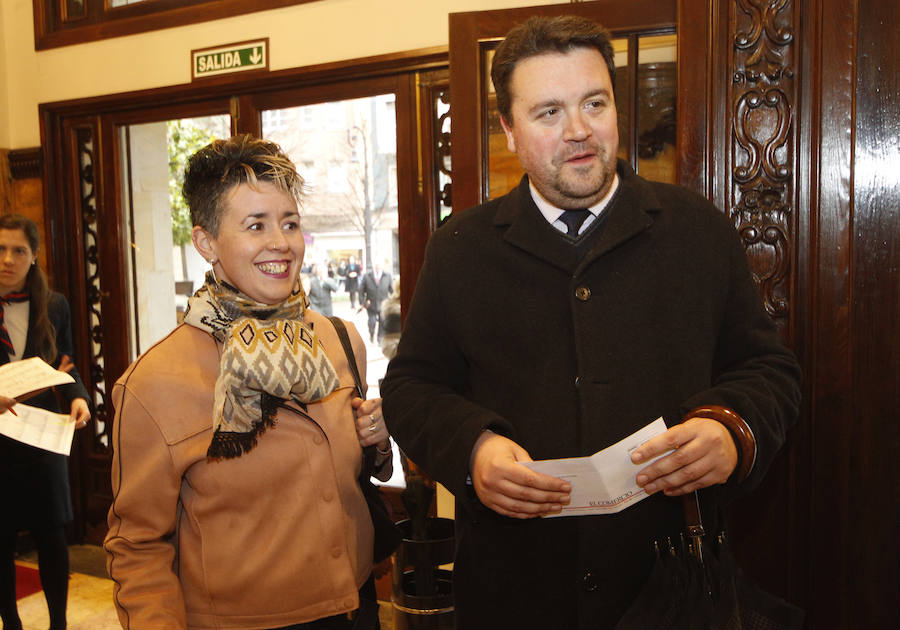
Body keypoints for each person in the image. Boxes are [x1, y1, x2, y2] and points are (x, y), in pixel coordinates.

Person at [381, 15, 802, 630]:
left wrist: (731, 431)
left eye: (594, 103)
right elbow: (412, 388)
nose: (578, 131)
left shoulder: (697, 230)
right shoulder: (460, 248)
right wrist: (474, 447)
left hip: (671, 585)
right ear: (508, 129)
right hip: (514, 590)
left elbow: (770, 370)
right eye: (548, 112)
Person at [104, 135, 393, 630]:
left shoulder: (340, 341)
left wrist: (378, 441)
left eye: (290, 223)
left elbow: (354, 477)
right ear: (205, 242)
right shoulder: (154, 383)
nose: (280, 242)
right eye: (255, 225)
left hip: (355, 606)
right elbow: (138, 547)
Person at [0, 214, 91, 630]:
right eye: (0, 249)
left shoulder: (54, 305)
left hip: (41, 437)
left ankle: (59, 624)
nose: (8, 259)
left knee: (53, 536)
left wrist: (78, 399)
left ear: (34, 256)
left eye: (19, 250)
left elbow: (67, 365)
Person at [359, 261, 393, 343]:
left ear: (382, 266)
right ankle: (371, 334)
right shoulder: (367, 276)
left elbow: (392, 290)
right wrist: (363, 302)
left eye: (379, 265)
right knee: (372, 321)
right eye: (376, 265)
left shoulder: (387, 276)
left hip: (383, 304)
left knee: (382, 322)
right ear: (374, 265)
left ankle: (380, 338)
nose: (378, 266)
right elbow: (361, 290)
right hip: (371, 304)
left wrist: (392, 301)